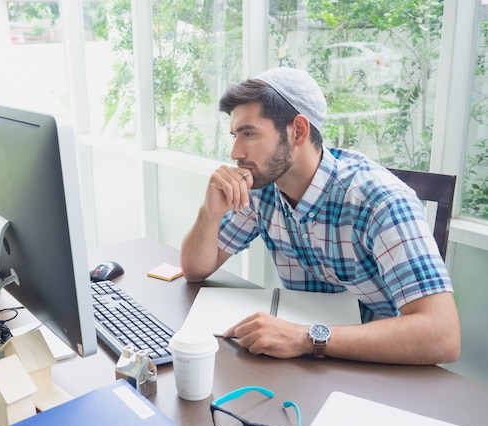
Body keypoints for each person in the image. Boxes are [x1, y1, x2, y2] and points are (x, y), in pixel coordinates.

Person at [180, 67, 460, 366]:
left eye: (249, 134)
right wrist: (209, 213)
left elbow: (442, 335)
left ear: (298, 131)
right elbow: (196, 269)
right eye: (236, 135)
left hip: (378, 362)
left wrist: (304, 337)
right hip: (306, 359)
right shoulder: (263, 187)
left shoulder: (380, 200)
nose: (235, 152)